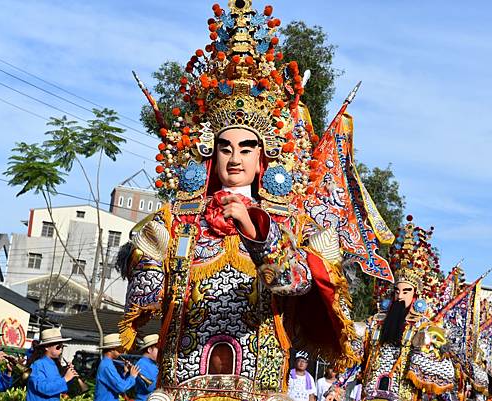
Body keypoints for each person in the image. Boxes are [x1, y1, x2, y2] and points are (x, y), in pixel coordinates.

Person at [116, 2, 396, 401]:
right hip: (181, 389)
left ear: (263, 158)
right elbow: (144, 303)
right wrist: (147, 260)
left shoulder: (290, 223)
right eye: (225, 147)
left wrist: (257, 232)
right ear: (209, 153)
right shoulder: (178, 220)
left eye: (247, 148)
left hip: (259, 390)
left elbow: (301, 284)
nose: (235, 158)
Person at [361, 217, 455, 400]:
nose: (400, 295)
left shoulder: (424, 327)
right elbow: (356, 355)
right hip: (370, 393)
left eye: (406, 291)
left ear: (416, 295)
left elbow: (445, 372)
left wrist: (420, 351)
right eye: (397, 291)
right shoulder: (376, 322)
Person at [26, 327, 78, 401]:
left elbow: (61, 390)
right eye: (58, 346)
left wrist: (69, 376)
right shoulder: (38, 365)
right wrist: (65, 379)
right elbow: (44, 389)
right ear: (47, 347)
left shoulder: (54, 364)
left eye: (62, 346)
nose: (61, 349)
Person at [95, 333, 140, 401]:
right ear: (111, 350)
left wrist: (125, 372)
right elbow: (121, 387)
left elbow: (115, 384)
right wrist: (132, 376)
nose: (122, 350)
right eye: (119, 348)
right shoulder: (107, 365)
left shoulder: (108, 363)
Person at [131, 334, 159, 401]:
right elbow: (150, 387)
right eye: (158, 348)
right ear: (149, 350)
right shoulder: (141, 365)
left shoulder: (152, 364)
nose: (160, 351)